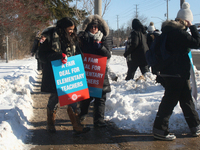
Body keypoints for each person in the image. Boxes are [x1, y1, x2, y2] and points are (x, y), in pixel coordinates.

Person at [152, 2, 200, 141]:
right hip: (176, 73)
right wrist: (192, 27)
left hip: (172, 72)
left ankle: (195, 126)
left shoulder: (168, 31)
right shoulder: (178, 33)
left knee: (186, 100)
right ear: (185, 20)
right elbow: (197, 42)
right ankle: (160, 130)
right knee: (169, 101)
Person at [38, 17, 90, 134]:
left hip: (70, 73)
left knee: (73, 97)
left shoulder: (73, 37)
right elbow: (41, 55)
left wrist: (78, 61)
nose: (71, 31)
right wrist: (58, 56)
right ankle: (50, 124)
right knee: (55, 98)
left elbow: (78, 53)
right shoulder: (50, 36)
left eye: (73, 29)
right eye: (69, 29)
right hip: (54, 73)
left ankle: (76, 125)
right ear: (63, 28)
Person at [78, 14, 111, 127]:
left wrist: (100, 47)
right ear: (88, 27)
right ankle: (82, 113)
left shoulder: (104, 38)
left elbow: (108, 54)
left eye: (96, 27)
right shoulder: (83, 38)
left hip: (99, 71)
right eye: (91, 27)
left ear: (99, 28)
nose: (93, 29)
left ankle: (99, 121)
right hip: (86, 71)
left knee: (100, 97)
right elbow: (78, 51)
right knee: (86, 96)